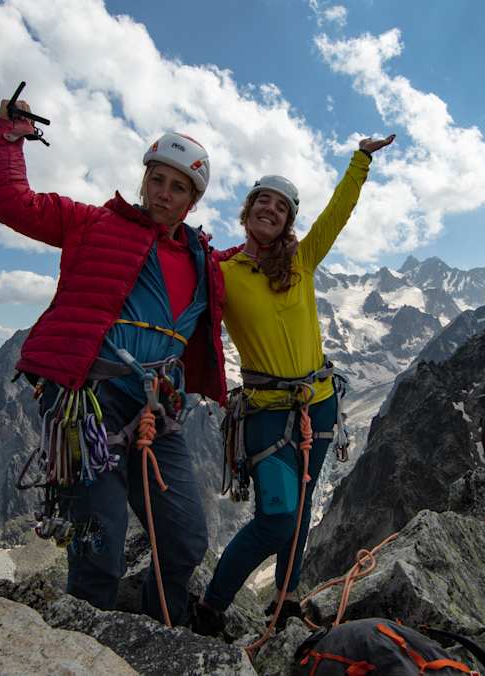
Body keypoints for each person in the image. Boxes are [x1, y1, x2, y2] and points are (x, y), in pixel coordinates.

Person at [0, 98, 227, 628]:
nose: (164, 192)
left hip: (159, 413)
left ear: (193, 201)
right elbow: (10, 202)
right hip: (88, 406)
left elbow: (272, 260)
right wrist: (7, 135)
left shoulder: (209, 263)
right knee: (99, 548)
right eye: (157, 179)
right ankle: (81, 648)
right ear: (144, 182)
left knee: (185, 540)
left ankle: (163, 638)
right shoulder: (92, 224)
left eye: (178, 186)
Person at [192, 133, 396, 636]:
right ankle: (210, 607)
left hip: (320, 406)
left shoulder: (301, 262)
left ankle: (285, 600)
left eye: (280, 206)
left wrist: (360, 161)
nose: (269, 208)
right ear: (247, 212)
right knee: (279, 515)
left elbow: (337, 215)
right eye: (262, 200)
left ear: (287, 220)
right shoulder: (222, 271)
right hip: (265, 411)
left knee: (300, 509)